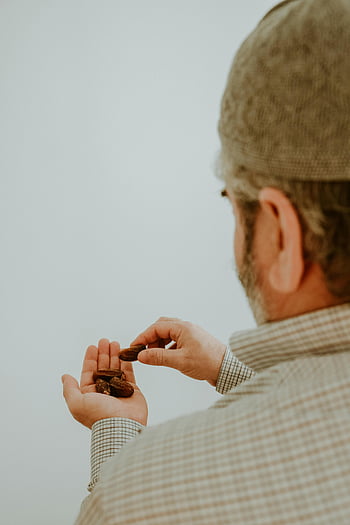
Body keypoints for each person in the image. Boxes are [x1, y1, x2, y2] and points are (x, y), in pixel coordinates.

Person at [62, 0, 350, 522]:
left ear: (283, 235)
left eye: (233, 205)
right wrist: (228, 370)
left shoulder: (145, 492)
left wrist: (117, 435)